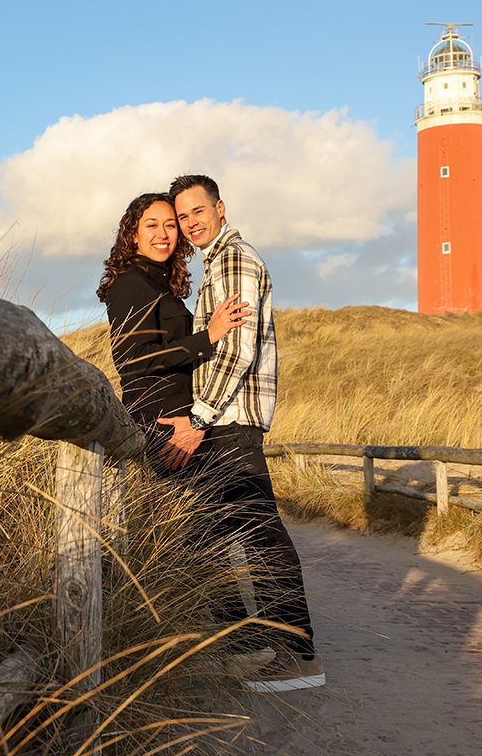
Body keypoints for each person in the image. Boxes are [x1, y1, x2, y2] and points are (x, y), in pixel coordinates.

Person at [157, 174, 325, 693]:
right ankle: (249, 646)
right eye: (184, 216)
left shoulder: (234, 260)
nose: (191, 222)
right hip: (223, 422)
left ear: (220, 208)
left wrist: (200, 420)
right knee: (209, 534)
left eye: (198, 211)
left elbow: (239, 350)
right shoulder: (215, 264)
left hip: (230, 423)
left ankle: (299, 657)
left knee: (261, 539)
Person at [96, 192, 249, 465]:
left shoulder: (162, 286)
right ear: (133, 235)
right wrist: (208, 337)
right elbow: (133, 361)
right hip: (163, 427)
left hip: (181, 425)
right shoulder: (132, 283)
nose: (163, 234)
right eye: (152, 225)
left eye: (170, 225)